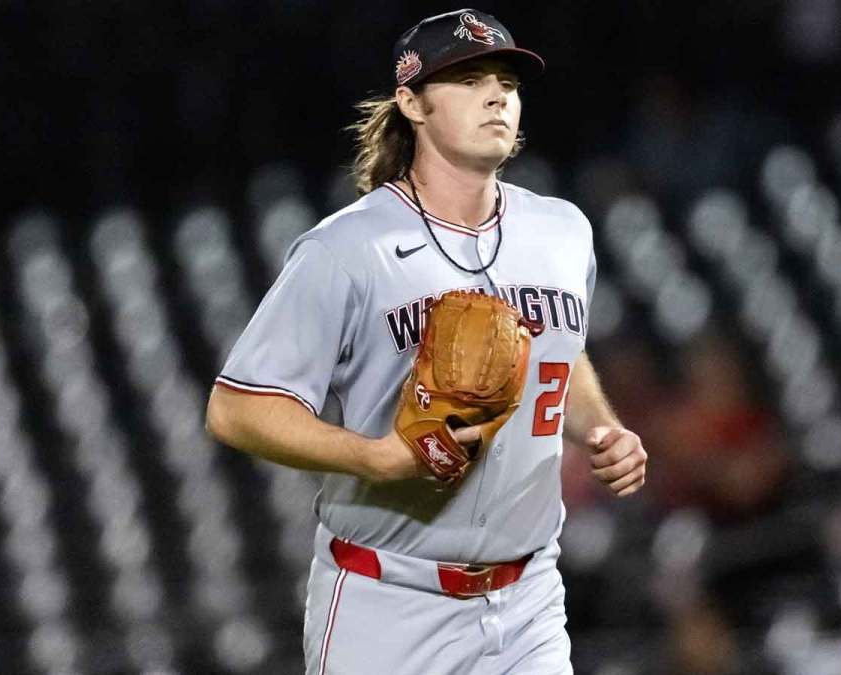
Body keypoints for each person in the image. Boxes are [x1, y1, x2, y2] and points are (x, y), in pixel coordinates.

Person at [203, 8, 647, 675]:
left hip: (529, 598)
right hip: (388, 603)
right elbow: (237, 407)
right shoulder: (347, 248)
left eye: (507, 80)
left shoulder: (562, 231)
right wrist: (376, 457)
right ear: (411, 101)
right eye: (469, 79)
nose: (497, 95)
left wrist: (603, 428)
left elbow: (561, 348)